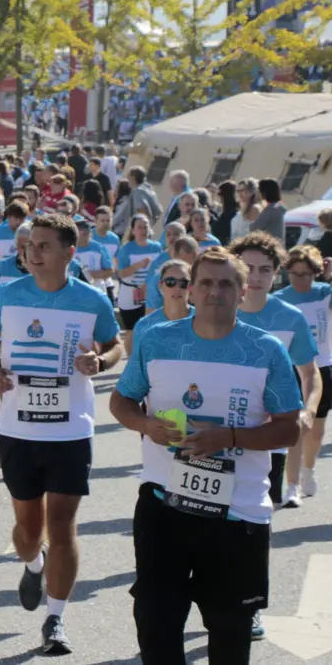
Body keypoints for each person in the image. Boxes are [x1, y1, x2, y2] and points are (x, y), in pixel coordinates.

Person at [110, 248, 302, 665]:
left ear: (242, 290)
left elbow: (291, 425)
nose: (216, 291)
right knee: (157, 627)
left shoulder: (265, 350)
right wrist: (147, 426)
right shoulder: (158, 340)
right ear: (191, 291)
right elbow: (122, 401)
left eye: (226, 283)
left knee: (230, 635)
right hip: (165, 506)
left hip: (238, 516)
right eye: (207, 283)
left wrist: (229, 437)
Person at [0, 214, 123, 655]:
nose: (32, 253)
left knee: (63, 524)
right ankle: (33, 564)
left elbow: (117, 345)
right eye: (29, 245)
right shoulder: (6, 295)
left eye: (43, 246)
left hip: (71, 429)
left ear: (69, 253)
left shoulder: (91, 301)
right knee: (28, 530)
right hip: (19, 429)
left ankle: (55, 618)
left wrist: (102, 362)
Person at [230, 232, 322, 532]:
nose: (255, 277)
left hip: (268, 440)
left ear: (275, 274)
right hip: (215, 433)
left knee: (254, 529)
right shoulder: (214, 310)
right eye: (248, 268)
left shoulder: (290, 317)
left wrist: (308, 410)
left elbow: (310, 373)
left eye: (265, 269)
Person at [274, 244, 331, 506]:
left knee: (317, 431)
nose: (300, 279)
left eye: (306, 274)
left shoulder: (325, 293)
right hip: (293, 371)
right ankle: (292, 487)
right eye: (295, 274)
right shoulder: (280, 298)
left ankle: (308, 471)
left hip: (323, 368)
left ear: (315, 273)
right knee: (297, 430)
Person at [115, 215, 163, 352]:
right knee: (131, 330)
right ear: (133, 230)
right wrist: (139, 265)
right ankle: (131, 363)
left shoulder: (157, 247)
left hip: (152, 294)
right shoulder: (126, 249)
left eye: (145, 227)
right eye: (139, 227)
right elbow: (121, 273)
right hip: (130, 293)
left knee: (151, 328)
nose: (143, 230)